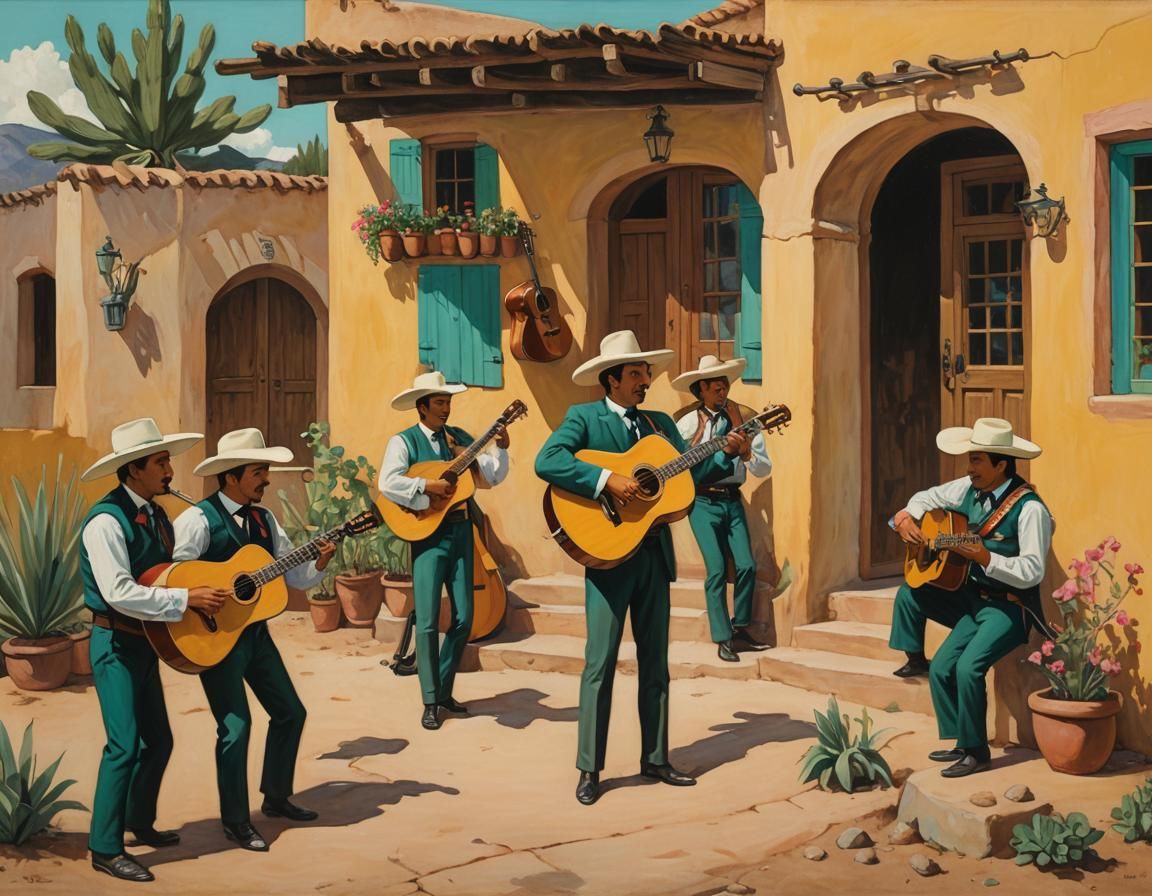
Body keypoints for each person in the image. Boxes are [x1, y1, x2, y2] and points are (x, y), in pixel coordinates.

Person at [535, 331, 750, 805]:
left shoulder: (658, 424)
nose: (645, 381)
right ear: (611, 379)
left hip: (653, 555)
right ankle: (590, 768)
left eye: (646, 373)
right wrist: (606, 478)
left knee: (657, 663)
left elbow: (685, 478)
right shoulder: (584, 418)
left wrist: (724, 454)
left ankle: (655, 758)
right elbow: (546, 461)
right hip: (608, 556)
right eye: (635, 373)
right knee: (600, 663)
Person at [172, 428, 336, 851]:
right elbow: (175, 576)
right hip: (216, 638)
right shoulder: (196, 520)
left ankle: (277, 797)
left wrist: (316, 561)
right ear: (230, 477)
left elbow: (290, 574)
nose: (266, 479)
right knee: (236, 726)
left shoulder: (265, 520)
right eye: (258, 471)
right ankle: (236, 821)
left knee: (291, 713)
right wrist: (203, 598)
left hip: (256, 636)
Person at [79, 418, 228, 882]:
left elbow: (165, 572)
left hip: (145, 642)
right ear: (134, 469)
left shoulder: (158, 514)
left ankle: (138, 822)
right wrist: (187, 599)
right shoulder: (106, 521)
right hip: (115, 643)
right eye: (162, 462)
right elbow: (120, 591)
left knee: (158, 740)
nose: (169, 469)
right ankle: (105, 848)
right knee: (124, 745)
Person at [887, 418, 1051, 778]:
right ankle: (962, 739)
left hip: (1010, 606)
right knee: (942, 665)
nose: (969, 467)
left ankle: (978, 753)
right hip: (973, 602)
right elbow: (925, 497)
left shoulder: (1030, 509)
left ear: (1000, 465)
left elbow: (1033, 570)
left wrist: (985, 558)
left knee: (967, 667)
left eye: (977, 460)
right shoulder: (968, 489)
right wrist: (903, 518)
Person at [378, 371, 510, 731]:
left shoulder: (461, 440)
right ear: (422, 407)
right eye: (439, 403)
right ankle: (430, 700)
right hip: (427, 536)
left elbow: (490, 477)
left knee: (465, 618)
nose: (446, 409)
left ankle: (444, 690)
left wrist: (500, 445)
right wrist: (427, 485)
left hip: (461, 532)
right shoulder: (403, 442)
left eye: (448, 402)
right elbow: (388, 482)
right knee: (428, 620)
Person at [672, 355, 773, 662]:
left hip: (732, 499)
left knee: (746, 566)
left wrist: (744, 455)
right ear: (701, 389)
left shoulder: (745, 419)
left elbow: (763, 468)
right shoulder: (687, 422)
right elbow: (677, 463)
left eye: (725, 382)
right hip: (701, 502)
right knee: (716, 569)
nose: (722, 389)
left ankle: (740, 627)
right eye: (715, 384)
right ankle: (722, 637)